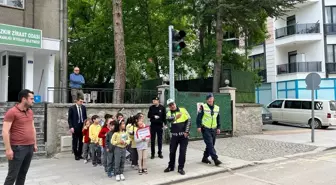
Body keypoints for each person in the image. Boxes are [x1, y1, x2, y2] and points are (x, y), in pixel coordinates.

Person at [2, 89, 37, 185]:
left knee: (23, 174)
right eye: (31, 99)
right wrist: (8, 149)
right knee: (12, 176)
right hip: (18, 148)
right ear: (24, 99)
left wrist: (35, 143)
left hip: (29, 147)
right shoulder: (12, 112)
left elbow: (33, 128)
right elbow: (5, 131)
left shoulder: (30, 112)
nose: (33, 101)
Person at [164, 99, 191, 175]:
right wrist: (176, 117)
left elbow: (189, 120)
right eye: (170, 105)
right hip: (174, 136)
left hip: (183, 136)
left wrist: (187, 131)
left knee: (182, 152)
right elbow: (169, 120)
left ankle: (180, 168)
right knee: (172, 152)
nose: (172, 106)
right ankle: (171, 167)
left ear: (175, 103)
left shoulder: (183, 109)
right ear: (169, 106)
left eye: (172, 104)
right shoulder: (168, 112)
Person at [196, 93, 222, 166]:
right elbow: (199, 117)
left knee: (211, 144)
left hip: (214, 129)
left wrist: (218, 127)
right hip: (205, 128)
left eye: (211, 98)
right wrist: (199, 126)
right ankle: (215, 159)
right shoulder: (203, 107)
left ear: (213, 99)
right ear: (206, 100)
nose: (210, 100)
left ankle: (204, 158)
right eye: (209, 99)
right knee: (210, 144)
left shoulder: (217, 108)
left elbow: (218, 118)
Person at [68, 96, 87, 160]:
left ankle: (79, 154)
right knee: (75, 141)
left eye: (82, 101)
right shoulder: (72, 108)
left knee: (81, 141)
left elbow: (85, 117)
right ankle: (76, 154)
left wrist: (85, 126)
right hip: (75, 126)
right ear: (77, 101)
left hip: (82, 126)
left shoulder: (83, 108)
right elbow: (69, 119)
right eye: (80, 101)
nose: (81, 103)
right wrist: (71, 127)